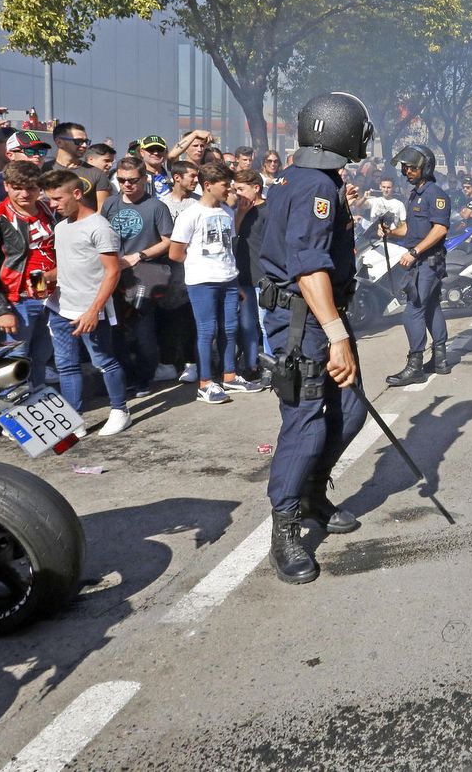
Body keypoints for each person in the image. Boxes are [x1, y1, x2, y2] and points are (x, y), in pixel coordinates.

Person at [258, 92, 373, 584]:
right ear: (345, 132)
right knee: (305, 423)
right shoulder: (313, 187)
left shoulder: (304, 177)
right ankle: (285, 526)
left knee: (349, 410)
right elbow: (307, 267)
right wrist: (337, 335)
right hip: (306, 324)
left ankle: (310, 494)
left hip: (319, 317)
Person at [41, 169, 130, 435]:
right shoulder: (60, 226)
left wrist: (94, 310)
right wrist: (48, 276)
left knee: (103, 360)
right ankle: (73, 419)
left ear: (77, 194)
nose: (53, 205)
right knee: (66, 365)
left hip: (91, 309)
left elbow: (112, 271)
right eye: (50, 200)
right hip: (60, 307)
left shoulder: (100, 227)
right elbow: (70, 264)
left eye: (57, 199)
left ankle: (120, 409)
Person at [170, 162, 257, 403]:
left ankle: (229, 376)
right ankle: (205, 382)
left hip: (229, 279)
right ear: (207, 185)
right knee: (207, 330)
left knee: (230, 328)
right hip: (202, 282)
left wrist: (234, 280)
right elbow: (175, 252)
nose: (229, 189)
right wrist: (199, 266)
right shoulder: (190, 215)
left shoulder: (226, 213)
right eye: (225, 185)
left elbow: (228, 248)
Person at [0, 161, 57, 388]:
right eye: (17, 187)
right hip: (17, 300)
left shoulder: (50, 210)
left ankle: (35, 407)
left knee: (41, 359)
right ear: (6, 186)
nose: (25, 193)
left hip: (51, 299)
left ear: (40, 188)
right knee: (13, 364)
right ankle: (11, 416)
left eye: (32, 187)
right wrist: (1, 308)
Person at [102, 156, 175, 397]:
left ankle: (145, 378)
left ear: (144, 179)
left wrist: (139, 255)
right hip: (115, 275)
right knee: (117, 331)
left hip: (145, 276)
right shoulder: (110, 204)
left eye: (132, 180)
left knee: (144, 332)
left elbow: (168, 242)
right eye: (122, 180)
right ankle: (129, 377)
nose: (127, 185)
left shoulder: (156, 206)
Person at [384, 145, 452, 386]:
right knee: (431, 305)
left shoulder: (435, 194)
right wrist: (390, 232)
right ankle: (440, 359)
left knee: (413, 309)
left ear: (426, 167)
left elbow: (440, 229)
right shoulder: (416, 194)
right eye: (405, 167)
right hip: (421, 262)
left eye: (413, 167)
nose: (407, 171)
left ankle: (415, 366)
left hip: (428, 263)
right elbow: (410, 228)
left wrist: (414, 252)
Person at [232, 169, 271, 376]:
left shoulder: (268, 210)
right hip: (243, 277)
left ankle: (270, 365)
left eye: (241, 189)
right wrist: (240, 213)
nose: (236, 193)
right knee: (247, 325)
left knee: (265, 325)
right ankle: (251, 364)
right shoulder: (238, 210)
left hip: (263, 278)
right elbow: (234, 235)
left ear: (256, 188)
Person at [0, 130, 51, 208]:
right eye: (30, 151)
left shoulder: (50, 182)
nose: (37, 156)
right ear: (10, 155)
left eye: (42, 151)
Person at [52, 121, 113, 209]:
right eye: (78, 141)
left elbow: (102, 211)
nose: (84, 145)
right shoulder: (44, 170)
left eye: (86, 141)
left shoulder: (97, 174)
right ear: (59, 142)